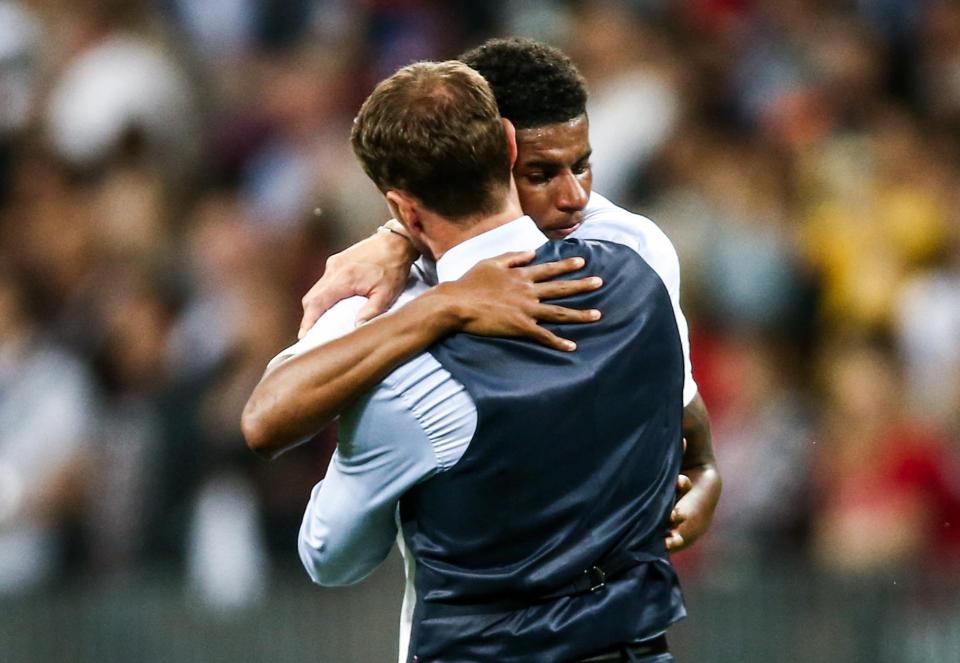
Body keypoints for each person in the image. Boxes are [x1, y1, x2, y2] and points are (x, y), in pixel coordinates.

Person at [272, 58, 690, 662]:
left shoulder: (385, 341)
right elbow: (684, 418)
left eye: (581, 166)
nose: (574, 196)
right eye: (545, 172)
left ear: (404, 207)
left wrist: (424, 290)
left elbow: (332, 553)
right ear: (509, 149)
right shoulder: (641, 263)